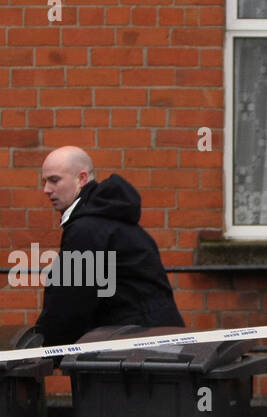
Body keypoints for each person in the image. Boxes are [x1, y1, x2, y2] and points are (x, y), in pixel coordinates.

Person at [35, 146, 183, 346]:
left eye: (54, 180)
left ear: (82, 179)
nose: (46, 190)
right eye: (45, 182)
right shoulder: (111, 219)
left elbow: (70, 302)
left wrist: (43, 350)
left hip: (133, 350)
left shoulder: (87, 229)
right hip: (155, 343)